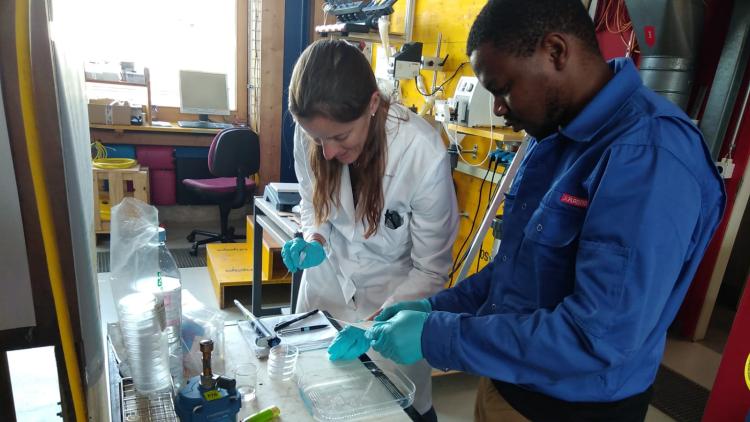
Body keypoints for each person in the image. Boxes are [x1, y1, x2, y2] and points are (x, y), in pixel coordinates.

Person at [367, 0, 726, 421]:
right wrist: (436, 308)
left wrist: (438, 337)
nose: (499, 108)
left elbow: (594, 338)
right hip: (506, 381)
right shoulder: (555, 132)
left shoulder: (648, 158)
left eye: (503, 89)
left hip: (569, 409)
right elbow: (515, 272)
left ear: (556, 52)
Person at [281, 39, 459, 421]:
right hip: (327, 288)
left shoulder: (421, 152)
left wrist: (372, 324)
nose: (327, 151)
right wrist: (314, 237)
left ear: (373, 105)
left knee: (395, 408)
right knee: (312, 401)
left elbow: (431, 270)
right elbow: (313, 203)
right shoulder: (310, 131)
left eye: (340, 137)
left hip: (391, 301)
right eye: (317, 139)